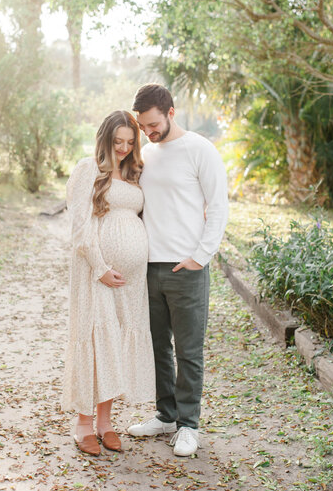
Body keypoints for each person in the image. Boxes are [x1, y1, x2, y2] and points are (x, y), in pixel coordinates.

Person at [127, 84, 228, 457]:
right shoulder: (146, 154)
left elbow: (218, 207)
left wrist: (200, 257)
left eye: (153, 124)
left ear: (171, 112)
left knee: (188, 351)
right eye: (142, 126)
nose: (148, 132)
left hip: (186, 267)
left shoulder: (201, 150)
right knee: (157, 348)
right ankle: (166, 415)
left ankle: (188, 425)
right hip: (148, 268)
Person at [62, 110, 155, 457]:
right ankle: (83, 424)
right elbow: (80, 227)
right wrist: (101, 267)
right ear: (105, 139)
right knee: (96, 340)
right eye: (117, 142)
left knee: (115, 343)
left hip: (131, 280)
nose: (123, 148)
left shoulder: (135, 173)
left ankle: (105, 422)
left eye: (130, 143)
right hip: (95, 272)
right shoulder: (88, 169)